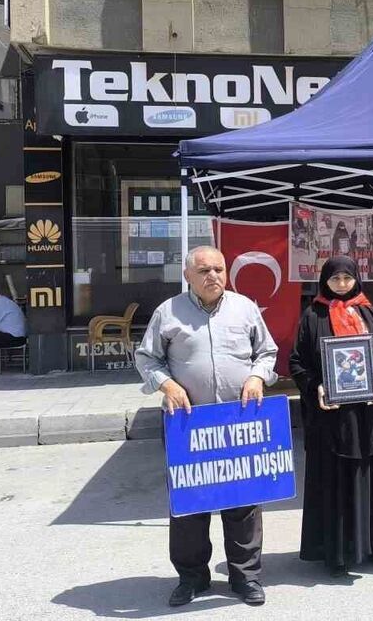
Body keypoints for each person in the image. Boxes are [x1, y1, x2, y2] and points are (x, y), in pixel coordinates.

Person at [134, 246, 277, 608]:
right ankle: (192, 577)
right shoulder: (168, 312)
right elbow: (147, 358)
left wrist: (257, 377)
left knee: (243, 502)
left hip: (238, 421)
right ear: (188, 276)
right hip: (189, 423)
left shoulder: (245, 308)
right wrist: (167, 384)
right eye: (203, 270)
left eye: (218, 269)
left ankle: (245, 577)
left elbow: (267, 352)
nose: (213, 276)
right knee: (189, 504)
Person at [289, 256, 373, 578]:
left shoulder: (368, 312)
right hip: (333, 418)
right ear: (324, 280)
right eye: (335, 278)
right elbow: (297, 362)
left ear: (357, 279)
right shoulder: (313, 316)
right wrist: (316, 386)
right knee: (336, 481)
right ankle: (337, 553)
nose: (341, 284)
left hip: (369, 415)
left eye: (347, 278)